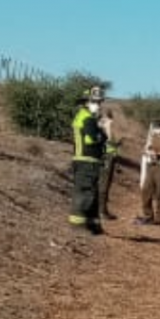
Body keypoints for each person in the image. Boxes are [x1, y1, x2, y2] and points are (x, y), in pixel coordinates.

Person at [69, 86, 107, 235]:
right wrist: (103, 136)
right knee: (85, 193)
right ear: (86, 102)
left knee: (91, 193)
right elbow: (92, 139)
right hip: (86, 160)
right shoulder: (87, 119)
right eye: (94, 102)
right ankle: (78, 227)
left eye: (99, 102)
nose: (98, 105)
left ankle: (93, 225)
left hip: (87, 160)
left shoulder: (84, 117)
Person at [98, 108, 121, 220]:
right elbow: (110, 139)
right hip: (108, 155)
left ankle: (102, 210)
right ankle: (102, 211)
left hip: (102, 155)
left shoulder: (99, 123)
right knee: (104, 184)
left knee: (102, 183)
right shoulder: (108, 124)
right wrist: (118, 143)